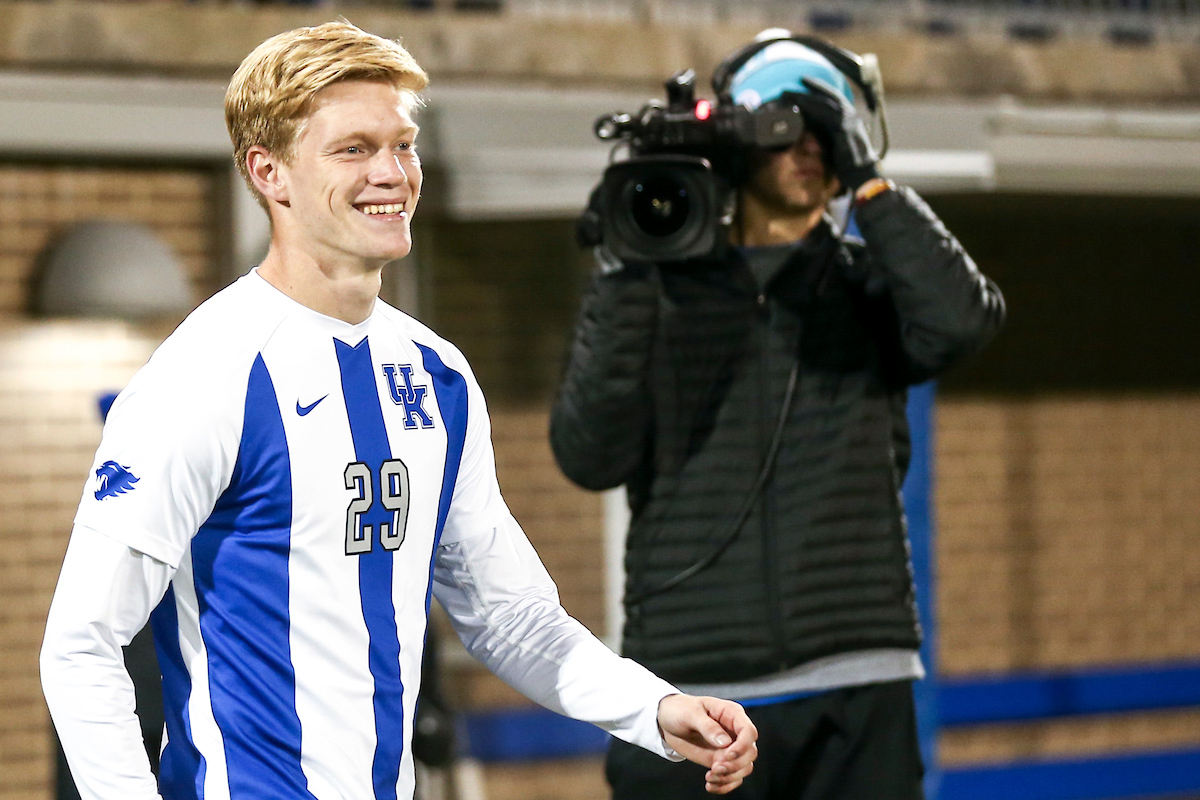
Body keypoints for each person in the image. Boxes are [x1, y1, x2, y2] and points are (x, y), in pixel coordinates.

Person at [40, 21, 758, 800]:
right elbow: (81, 645)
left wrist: (652, 706)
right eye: (353, 149)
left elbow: (508, 614)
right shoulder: (207, 373)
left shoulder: (435, 373)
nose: (392, 173)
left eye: (403, 145)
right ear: (269, 171)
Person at [550, 33, 1005, 800]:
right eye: (786, 131)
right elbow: (589, 454)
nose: (809, 151)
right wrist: (627, 265)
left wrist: (869, 179)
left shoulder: (872, 285)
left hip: (857, 685)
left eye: (829, 133)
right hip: (691, 694)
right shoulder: (655, 293)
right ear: (736, 140)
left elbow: (962, 322)